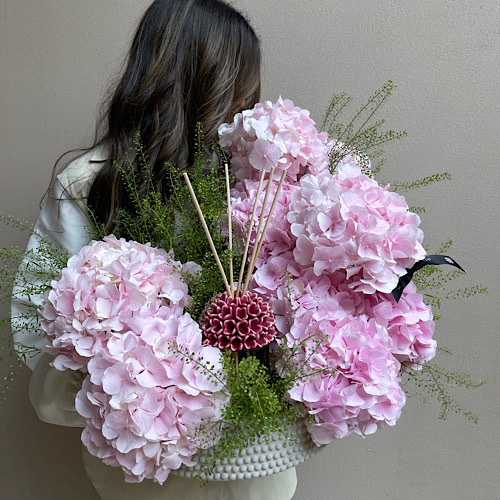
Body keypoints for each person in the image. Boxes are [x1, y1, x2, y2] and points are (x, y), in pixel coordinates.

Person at [11, 1, 297, 498]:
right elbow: (39, 336)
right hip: (151, 466)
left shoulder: (261, 176)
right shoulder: (88, 185)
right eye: (242, 88)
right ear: (211, 80)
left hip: (244, 467)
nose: (248, 105)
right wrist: (136, 384)